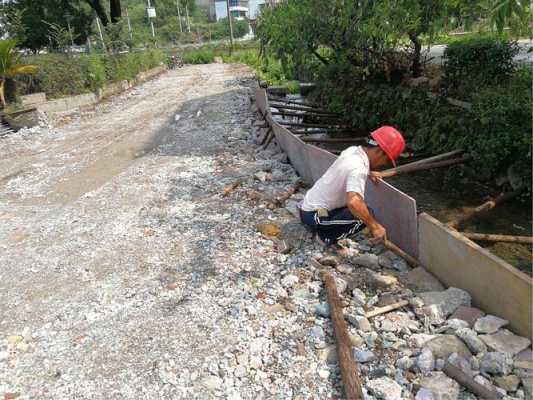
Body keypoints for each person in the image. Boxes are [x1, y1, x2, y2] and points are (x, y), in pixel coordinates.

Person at [299, 126, 405, 248]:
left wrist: (368, 172)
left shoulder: (352, 151)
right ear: (380, 151)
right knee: (362, 217)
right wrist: (375, 227)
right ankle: (325, 237)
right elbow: (354, 202)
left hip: (307, 208)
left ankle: (326, 229)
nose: (383, 165)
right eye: (385, 161)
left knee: (362, 211)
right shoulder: (358, 168)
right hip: (314, 217)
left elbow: (350, 169)